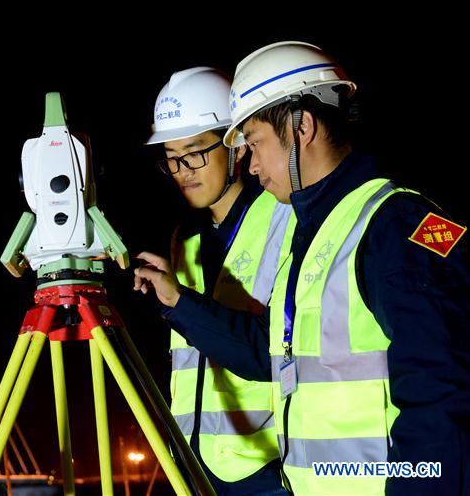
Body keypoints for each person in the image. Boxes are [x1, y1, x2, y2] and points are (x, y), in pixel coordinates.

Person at [134, 42, 470, 494]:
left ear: (302, 127)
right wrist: (177, 301)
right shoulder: (316, 233)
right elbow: (269, 349)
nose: (252, 165)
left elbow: (443, 392)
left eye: (255, 143)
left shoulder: (398, 222)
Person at [141, 67, 291, 494]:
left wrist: (182, 303)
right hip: (194, 467)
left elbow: (272, 352)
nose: (182, 170)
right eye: (171, 157)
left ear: (237, 146)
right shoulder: (184, 240)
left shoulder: (285, 220)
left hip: (266, 469)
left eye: (194, 153)